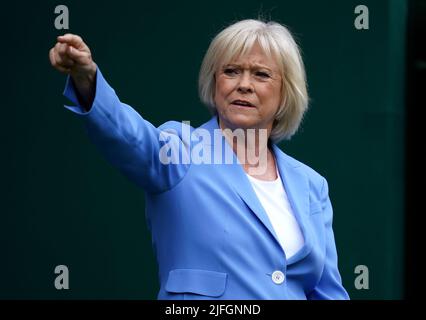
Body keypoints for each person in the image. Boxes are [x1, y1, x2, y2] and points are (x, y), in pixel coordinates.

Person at [49, 19, 349, 300]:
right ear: (214, 82)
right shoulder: (181, 149)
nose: (244, 84)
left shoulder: (311, 184)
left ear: (286, 92)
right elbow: (128, 137)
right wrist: (87, 79)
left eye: (261, 74)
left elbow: (328, 291)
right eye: (231, 71)